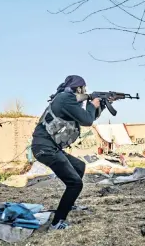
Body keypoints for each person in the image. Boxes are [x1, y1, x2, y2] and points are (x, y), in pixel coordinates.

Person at [31, 75, 102, 230]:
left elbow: (87, 117)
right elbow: (87, 121)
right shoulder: (66, 98)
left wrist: (98, 105)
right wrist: (92, 104)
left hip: (49, 147)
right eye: (84, 88)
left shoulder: (64, 99)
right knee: (75, 183)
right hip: (46, 148)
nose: (85, 91)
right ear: (79, 88)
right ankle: (57, 223)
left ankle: (69, 204)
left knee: (79, 166)